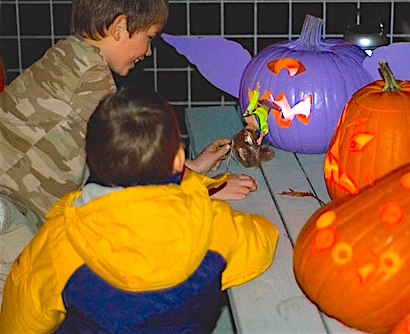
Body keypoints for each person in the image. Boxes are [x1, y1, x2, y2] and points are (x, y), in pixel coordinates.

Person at [0, 0, 255, 298]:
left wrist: (193, 167)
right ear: (119, 27)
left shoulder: (71, 56)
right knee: (27, 303)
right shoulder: (90, 78)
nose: (148, 52)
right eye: (149, 38)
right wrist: (204, 188)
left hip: (19, 207)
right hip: (10, 215)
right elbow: (133, 165)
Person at [0, 87, 279, 332]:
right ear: (180, 160)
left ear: (92, 158)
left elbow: (20, 320)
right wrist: (202, 193)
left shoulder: (62, 240)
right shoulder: (213, 224)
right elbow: (265, 240)